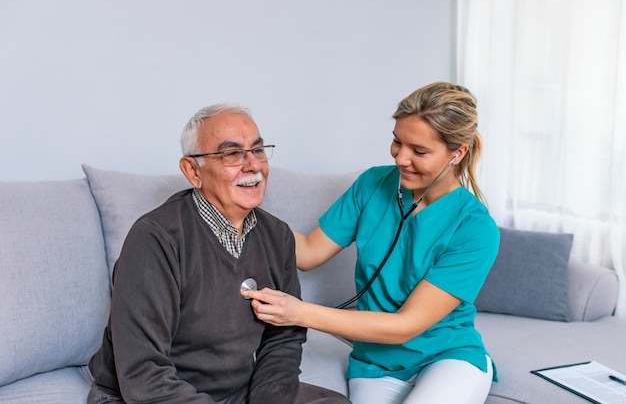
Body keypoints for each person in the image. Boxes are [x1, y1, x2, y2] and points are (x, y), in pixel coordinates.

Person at [244, 82, 500, 404]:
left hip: (448, 357)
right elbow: (309, 252)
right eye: (397, 142)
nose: (401, 159)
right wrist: (245, 209)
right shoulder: (372, 184)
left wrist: (299, 312)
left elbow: (405, 326)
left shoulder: (475, 228)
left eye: (419, 151)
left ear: (458, 152)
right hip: (375, 364)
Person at [87, 103, 351, 404]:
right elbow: (143, 375)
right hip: (143, 397)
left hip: (235, 393)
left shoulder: (277, 236)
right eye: (232, 154)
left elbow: (283, 337)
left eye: (258, 150)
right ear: (192, 171)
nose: (253, 166)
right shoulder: (155, 239)